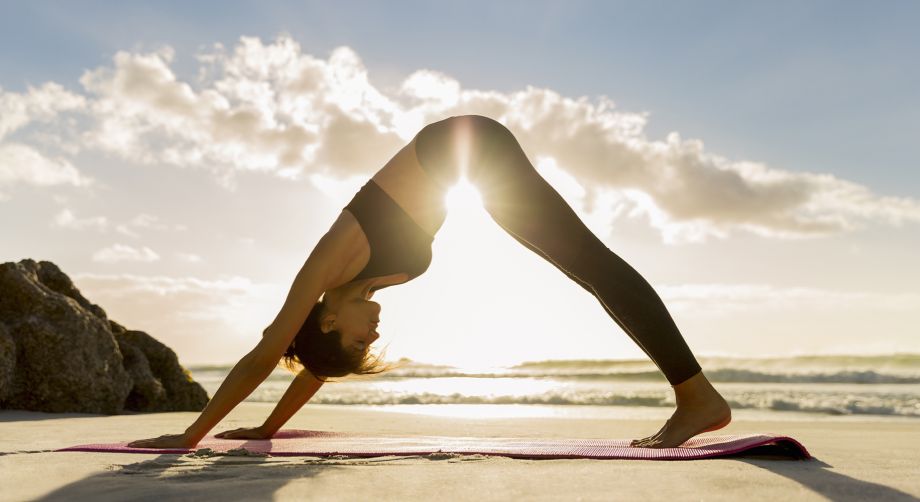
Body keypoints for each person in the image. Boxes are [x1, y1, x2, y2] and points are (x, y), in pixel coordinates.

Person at [128, 114, 731, 450]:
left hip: (462, 148)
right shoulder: (358, 292)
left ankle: (696, 397)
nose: (374, 335)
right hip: (470, 162)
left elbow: (267, 352)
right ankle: (694, 394)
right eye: (369, 347)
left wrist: (191, 435)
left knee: (592, 265)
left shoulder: (325, 266)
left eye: (357, 342)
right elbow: (315, 366)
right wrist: (267, 427)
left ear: (327, 320)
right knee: (588, 270)